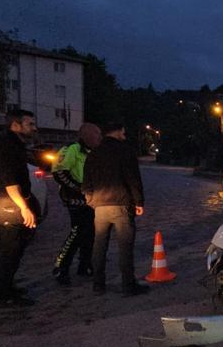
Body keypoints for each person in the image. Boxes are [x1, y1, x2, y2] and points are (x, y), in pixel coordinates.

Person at [82, 122, 149, 296]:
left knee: (99, 245)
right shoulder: (125, 152)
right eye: (123, 132)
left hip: (100, 207)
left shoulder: (94, 153)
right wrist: (139, 202)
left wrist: (90, 199)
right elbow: (133, 178)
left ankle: (98, 285)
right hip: (121, 204)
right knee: (125, 247)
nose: (124, 135)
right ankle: (128, 285)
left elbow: (86, 181)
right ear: (118, 132)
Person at [0, 109, 40, 307]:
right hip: (8, 203)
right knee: (10, 249)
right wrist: (24, 208)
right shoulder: (7, 147)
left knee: (15, 248)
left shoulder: (14, 144)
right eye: (30, 124)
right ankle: (1, 295)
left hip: (10, 201)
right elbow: (11, 184)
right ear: (16, 125)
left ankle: (7, 286)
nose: (34, 128)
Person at [51, 123, 103, 285]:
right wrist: (81, 190)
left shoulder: (94, 152)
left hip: (92, 201)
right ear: (86, 136)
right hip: (76, 200)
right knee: (76, 234)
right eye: (97, 134)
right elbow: (59, 172)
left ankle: (85, 265)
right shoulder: (71, 149)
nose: (100, 138)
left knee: (90, 234)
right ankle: (61, 267)